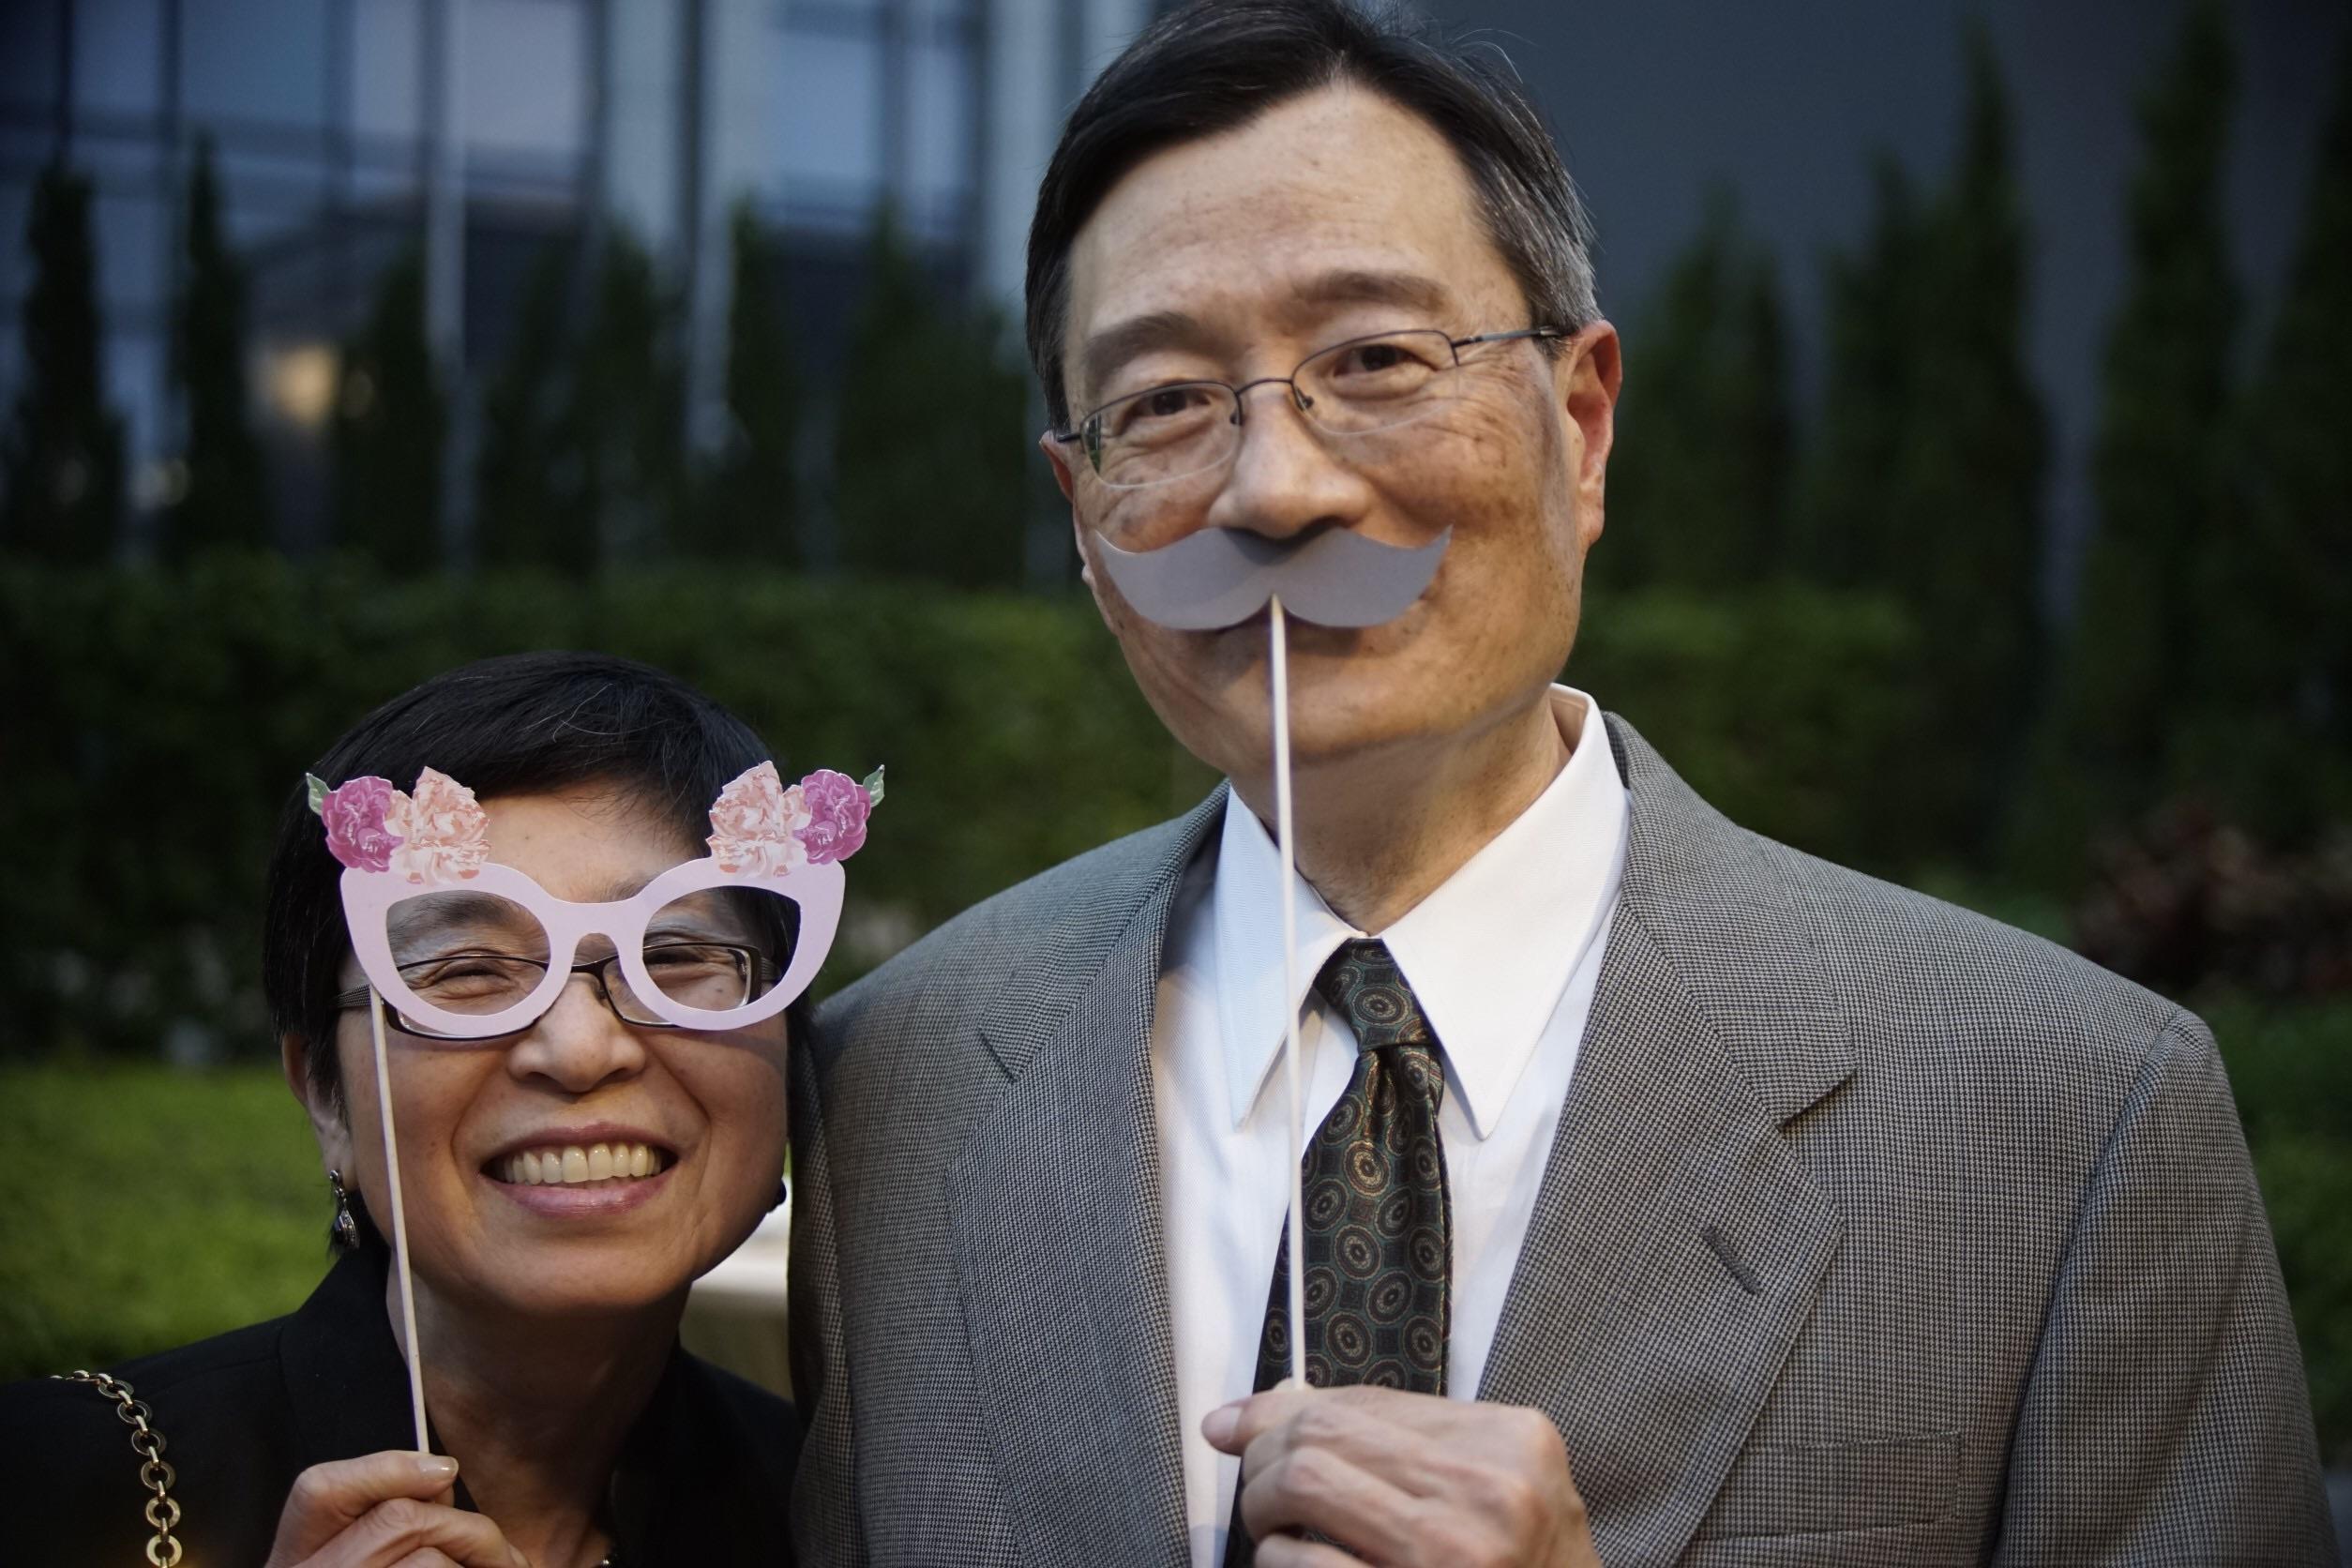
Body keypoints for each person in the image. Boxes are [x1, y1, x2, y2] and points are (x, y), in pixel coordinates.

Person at [787, 2, 2338, 1564]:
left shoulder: (2066, 1117)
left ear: (1580, 424)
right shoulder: (888, 1088)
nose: (1273, 487)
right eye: (1166, 404)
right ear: (1080, 511)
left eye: (1377, 357)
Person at [1, 651, 843, 1567]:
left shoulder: (833, 1500)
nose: (580, 1049)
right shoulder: (54, 1479)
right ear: (324, 1095)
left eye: (675, 953)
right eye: (466, 972)